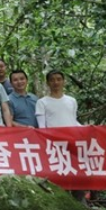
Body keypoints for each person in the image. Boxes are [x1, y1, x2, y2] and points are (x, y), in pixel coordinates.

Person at [35, 70, 83, 201]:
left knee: (76, 174)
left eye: (58, 79)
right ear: (48, 83)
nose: (56, 82)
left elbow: (73, 120)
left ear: (63, 81)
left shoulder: (71, 101)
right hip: (55, 145)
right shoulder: (42, 102)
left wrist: (87, 130)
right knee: (59, 176)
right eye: (52, 80)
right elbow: (42, 127)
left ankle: (80, 204)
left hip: (72, 143)